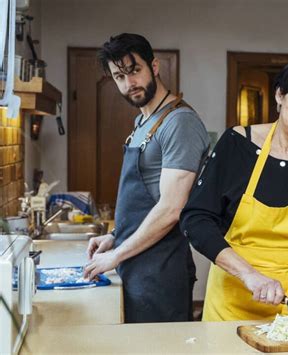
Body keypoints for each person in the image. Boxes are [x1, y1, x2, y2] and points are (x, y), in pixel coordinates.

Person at [180, 55, 288, 322]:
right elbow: (197, 219)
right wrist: (248, 274)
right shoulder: (236, 145)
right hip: (233, 301)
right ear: (280, 95)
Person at [84, 33, 210, 323]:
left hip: (161, 270)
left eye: (134, 70)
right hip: (136, 262)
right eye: (119, 76)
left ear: (154, 67)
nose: (129, 84)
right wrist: (115, 237)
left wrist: (115, 256)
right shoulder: (143, 121)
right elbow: (146, 198)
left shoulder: (179, 122)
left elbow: (171, 208)